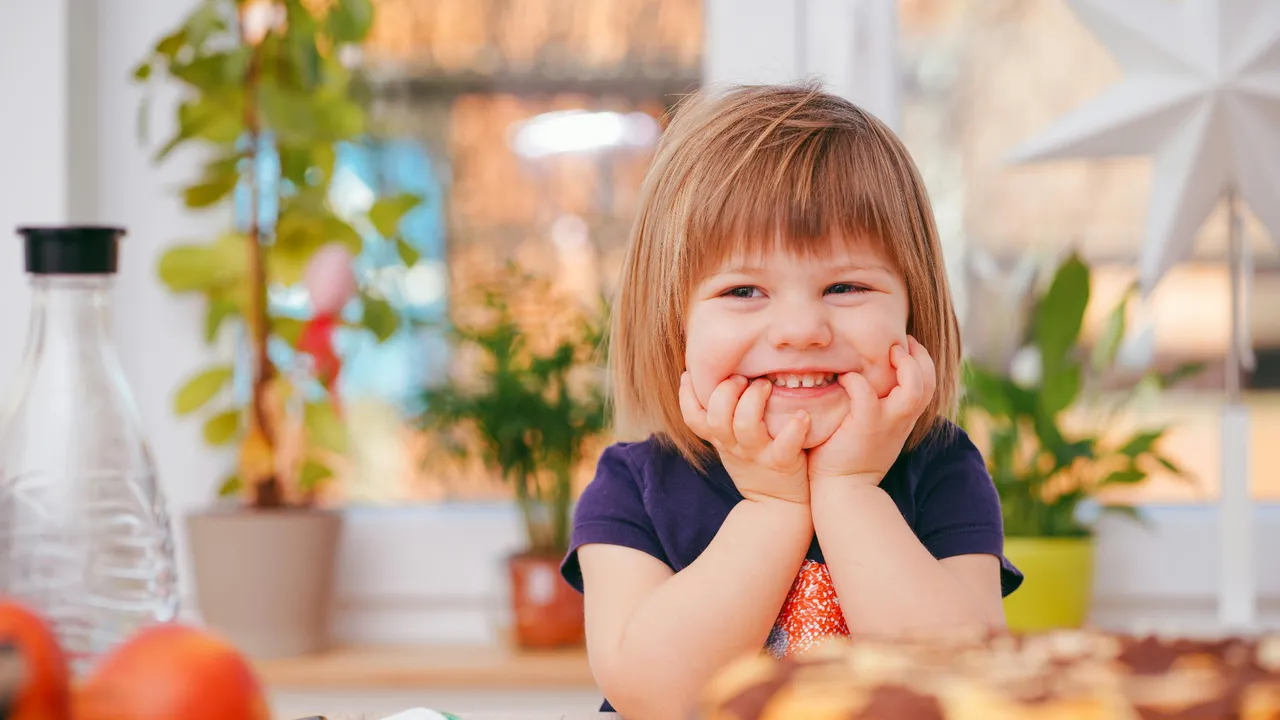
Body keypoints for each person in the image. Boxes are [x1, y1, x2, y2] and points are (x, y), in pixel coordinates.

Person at [558, 82, 1023, 718]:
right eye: (744, 291)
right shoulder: (633, 486)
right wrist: (773, 506)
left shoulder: (942, 469)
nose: (801, 329)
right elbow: (655, 695)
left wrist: (850, 490)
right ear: (675, 325)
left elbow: (961, 683)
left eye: (845, 285)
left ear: (914, 312)